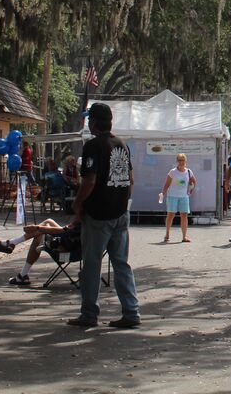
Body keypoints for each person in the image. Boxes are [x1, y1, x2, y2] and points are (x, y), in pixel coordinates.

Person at [69, 102, 140, 328]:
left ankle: (89, 313)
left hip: (98, 214)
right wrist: (122, 200)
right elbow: (130, 178)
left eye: (89, 119)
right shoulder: (122, 144)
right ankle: (131, 312)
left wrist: (78, 204)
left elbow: (89, 180)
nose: (88, 123)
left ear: (94, 122)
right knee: (121, 264)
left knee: (91, 265)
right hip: (120, 213)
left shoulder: (93, 146)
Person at [0, 218, 81, 286]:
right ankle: (12, 244)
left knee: (40, 232)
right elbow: (66, 231)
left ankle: (12, 243)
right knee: (48, 222)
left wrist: (38, 227)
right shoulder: (90, 220)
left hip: (66, 251)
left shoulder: (82, 217)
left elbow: (64, 232)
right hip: (79, 252)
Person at [161, 153, 197, 243]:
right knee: (170, 215)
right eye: (180, 160)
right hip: (172, 196)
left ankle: (184, 236)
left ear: (186, 161)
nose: (181, 162)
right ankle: (167, 234)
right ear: (177, 161)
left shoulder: (189, 171)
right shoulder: (172, 172)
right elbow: (167, 184)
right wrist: (163, 193)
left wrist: (191, 189)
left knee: (184, 215)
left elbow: (194, 182)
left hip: (184, 197)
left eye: (183, 160)